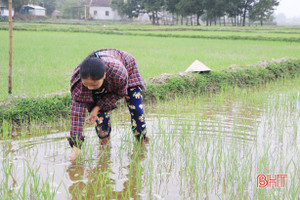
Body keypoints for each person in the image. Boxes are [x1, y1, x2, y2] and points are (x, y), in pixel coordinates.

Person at [68, 49, 147, 161]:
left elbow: (118, 93)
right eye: (86, 85)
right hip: (104, 77)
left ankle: (142, 143)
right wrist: (76, 147)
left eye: (94, 84)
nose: (89, 88)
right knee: (100, 117)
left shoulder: (118, 73)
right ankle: (105, 147)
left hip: (127, 68)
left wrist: (98, 106)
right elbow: (77, 114)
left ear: (104, 76)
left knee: (136, 109)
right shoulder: (79, 81)